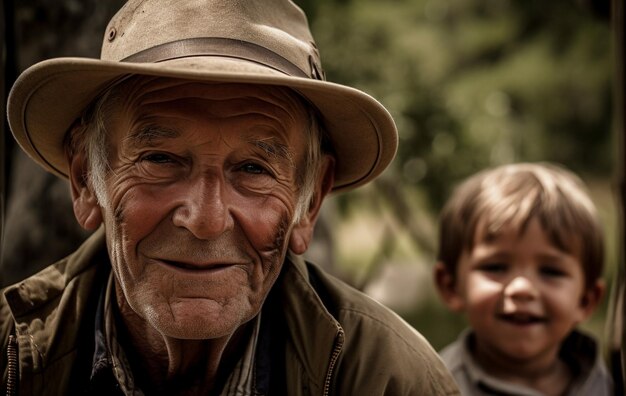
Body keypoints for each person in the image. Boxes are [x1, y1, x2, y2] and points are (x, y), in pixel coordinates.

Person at [0, 0, 460, 395]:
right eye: (159, 159)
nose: (206, 219)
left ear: (311, 200)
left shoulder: (389, 379)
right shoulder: (11, 359)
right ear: (86, 179)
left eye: (253, 169)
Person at [433, 162, 613, 395]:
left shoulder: (610, 382)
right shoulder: (434, 386)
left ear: (586, 301)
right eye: (496, 267)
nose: (522, 288)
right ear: (451, 287)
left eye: (551, 271)